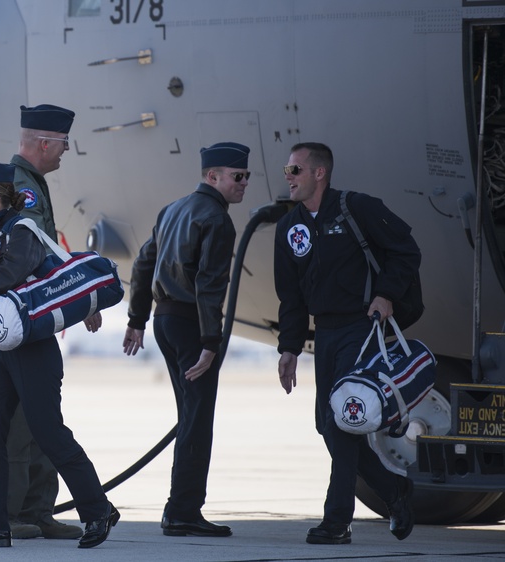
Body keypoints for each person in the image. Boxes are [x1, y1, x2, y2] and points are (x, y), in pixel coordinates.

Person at [0, 159, 119, 549]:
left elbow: (9, 275)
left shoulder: (20, 232)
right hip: (3, 352)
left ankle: (97, 510)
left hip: (34, 353)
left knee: (48, 432)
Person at [274, 142, 418, 544]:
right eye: (287, 170)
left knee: (343, 422)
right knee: (329, 424)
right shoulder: (290, 228)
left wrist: (386, 294)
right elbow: (291, 296)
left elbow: (406, 251)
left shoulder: (358, 208)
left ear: (319, 173)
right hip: (326, 334)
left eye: (295, 170)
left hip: (362, 327)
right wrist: (288, 348)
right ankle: (395, 491)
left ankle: (337, 521)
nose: (288, 177)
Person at [123, 142, 251, 539]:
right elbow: (210, 285)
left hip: (165, 322)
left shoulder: (173, 209)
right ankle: (182, 511)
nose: (243, 184)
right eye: (236, 176)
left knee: (189, 416)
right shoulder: (217, 218)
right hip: (192, 326)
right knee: (197, 421)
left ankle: (181, 508)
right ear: (212, 176)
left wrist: (138, 318)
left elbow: (144, 263)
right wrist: (211, 342)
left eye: (246, 177)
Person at [0, 103, 94, 540]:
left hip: (35, 314)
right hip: (24, 316)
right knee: (21, 422)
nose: (65, 153)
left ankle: (37, 510)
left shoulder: (32, 183)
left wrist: (77, 299)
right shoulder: (22, 187)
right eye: (63, 145)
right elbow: (30, 254)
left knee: (42, 416)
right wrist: (77, 296)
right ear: (44, 143)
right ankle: (16, 512)